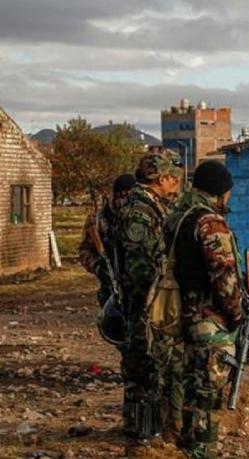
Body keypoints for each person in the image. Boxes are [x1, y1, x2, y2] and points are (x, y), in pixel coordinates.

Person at [165, 161, 243, 458]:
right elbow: (224, 277)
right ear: (221, 191)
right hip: (209, 321)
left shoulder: (176, 217)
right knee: (208, 395)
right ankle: (202, 451)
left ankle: (187, 446)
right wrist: (236, 315)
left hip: (178, 314)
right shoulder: (210, 222)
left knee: (189, 387)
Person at [116, 151, 184, 449]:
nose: (178, 183)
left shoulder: (155, 206)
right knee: (143, 370)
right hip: (144, 306)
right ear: (162, 178)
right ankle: (141, 437)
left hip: (153, 305)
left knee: (154, 369)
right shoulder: (139, 211)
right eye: (175, 177)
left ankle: (150, 433)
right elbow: (140, 267)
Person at [79, 174, 136, 307]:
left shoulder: (136, 217)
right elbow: (85, 251)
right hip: (110, 290)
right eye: (124, 197)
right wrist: (99, 267)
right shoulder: (98, 220)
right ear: (118, 195)